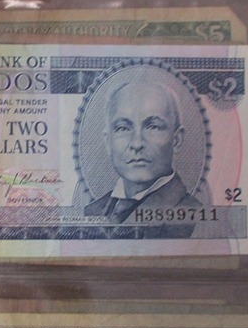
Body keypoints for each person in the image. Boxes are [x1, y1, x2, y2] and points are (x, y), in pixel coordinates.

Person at [83, 79, 201, 233]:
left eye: (153, 127)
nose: (137, 143)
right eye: (123, 128)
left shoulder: (194, 213)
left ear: (177, 140)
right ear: (107, 142)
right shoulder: (91, 212)